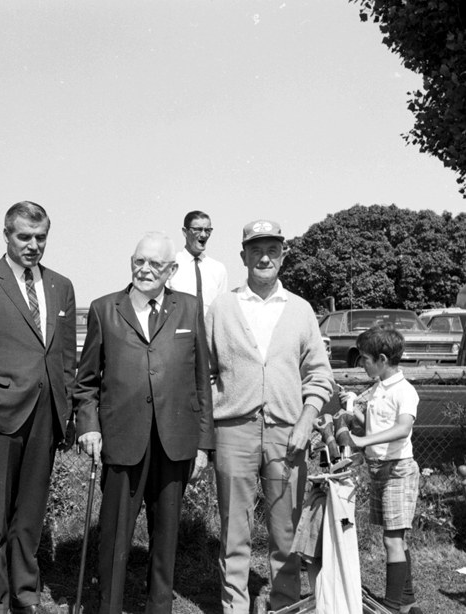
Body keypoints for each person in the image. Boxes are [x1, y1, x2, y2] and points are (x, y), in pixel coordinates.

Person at [75, 231, 214, 614]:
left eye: (155, 263)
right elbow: (85, 381)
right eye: (139, 261)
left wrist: (204, 444)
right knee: (115, 533)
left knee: (166, 533)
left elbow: (201, 378)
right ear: (131, 262)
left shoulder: (188, 308)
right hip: (122, 439)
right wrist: (88, 424)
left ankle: (159, 606)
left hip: (175, 440)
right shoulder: (104, 309)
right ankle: (108, 606)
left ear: (171, 270)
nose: (145, 269)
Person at [205, 219, 334, 613]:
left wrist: (306, 419)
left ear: (283, 256)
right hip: (234, 432)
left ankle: (284, 605)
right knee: (234, 532)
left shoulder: (300, 309)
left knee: (286, 532)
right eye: (256, 249)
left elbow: (319, 374)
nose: (264, 257)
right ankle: (235, 606)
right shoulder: (222, 307)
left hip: (288, 434)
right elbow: (204, 371)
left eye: (273, 250)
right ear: (243, 255)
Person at [0, 201, 76, 614]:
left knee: (30, 514)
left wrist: (68, 412)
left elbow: (64, 355)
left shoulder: (60, 285)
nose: (33, 245)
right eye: (23, 237)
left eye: (40, 237)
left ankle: (26, 596)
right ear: (6, 235)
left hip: (46, 415)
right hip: (0, 414)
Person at [340, 324, 422, 614]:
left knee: (392, 539)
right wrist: (353, 409)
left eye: (365, 358)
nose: (361, 363)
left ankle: (390, 606)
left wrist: (362, 440)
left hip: (398, 470)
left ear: (383, 360)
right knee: (395, 537)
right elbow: (375, 424)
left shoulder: (404, 390)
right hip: (379, 469)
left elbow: (401, 429)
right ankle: (408, 601)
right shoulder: (377, 388)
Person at [167, 210, 227, 315]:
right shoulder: (170, 265)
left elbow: (221, 309)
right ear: (185, 232)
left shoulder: (218, 269)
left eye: (208, 230)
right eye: (198, 230)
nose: (204, 235)